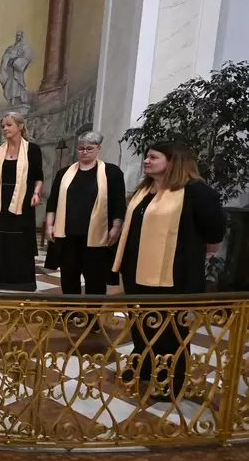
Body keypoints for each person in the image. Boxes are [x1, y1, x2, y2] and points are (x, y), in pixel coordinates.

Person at [112, 141, 225, 399]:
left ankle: (168, 380)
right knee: (141, 324)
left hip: (174, 275)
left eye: (153, 157)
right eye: (146, 156)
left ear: (173, 161)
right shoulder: (145, 190)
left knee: (169, 331)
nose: (147, 161)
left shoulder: (196, 192)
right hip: (136, 271)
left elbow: (214, 233)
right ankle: (143, 366)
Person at [45, 132, 125, 295]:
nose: (85, 152)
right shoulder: (64, 173)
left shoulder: (111, 172)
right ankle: (71, 313)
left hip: (97, 235)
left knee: (95, 277)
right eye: (81, 148)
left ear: (98, 148)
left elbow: (118, 203)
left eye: (89, 148)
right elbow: (52, 201)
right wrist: (49, 224)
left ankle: (92, 317)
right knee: (68, 275)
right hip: (68, 234)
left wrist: (116, 227)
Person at [0, 112, 44, 291]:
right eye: (3, 126)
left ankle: (20, 281)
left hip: (22, 202)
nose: (5, 129)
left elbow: (38, 177)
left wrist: (37, 193)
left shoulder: (33, 150)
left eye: (9, 125)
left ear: (20, 127)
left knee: (19, 242)